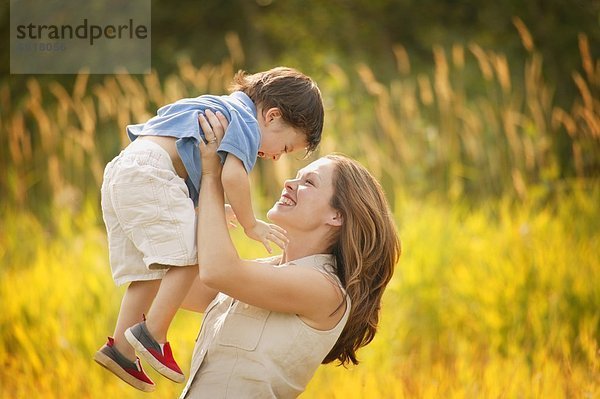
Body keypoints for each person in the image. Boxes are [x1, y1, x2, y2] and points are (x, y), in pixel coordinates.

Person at [94, 67, 325, 392]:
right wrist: (250, 224)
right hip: (150, 174)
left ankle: (120, 349)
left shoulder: (214, 105)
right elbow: (232, 177)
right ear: (272, 116)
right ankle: (153, 334)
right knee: (193, 252)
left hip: (124, 171)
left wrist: (208, 207)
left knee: (149, 273)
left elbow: (177, 150)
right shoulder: (245, 124)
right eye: (285, 148)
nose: (275, 157)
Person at [176, 111, 401, 398]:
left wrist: (211, 176)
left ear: (337, 216)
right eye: (295, 177)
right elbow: (166, 284)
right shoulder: (262, 272)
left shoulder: (326, 290)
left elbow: (218, 271)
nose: (289, 184)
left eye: (308, 183)